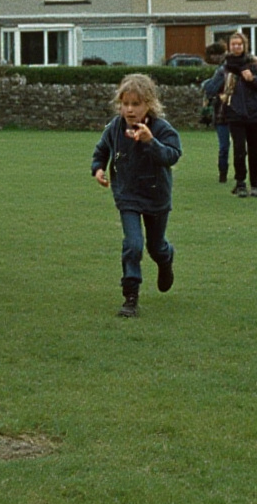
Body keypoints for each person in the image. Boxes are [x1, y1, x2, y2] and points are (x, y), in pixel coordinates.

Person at [92, 74, 182, 318]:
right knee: (133, 244)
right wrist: (98, 169)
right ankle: (130, 296)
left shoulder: (162, 130)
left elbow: (172, 155)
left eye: (136, 104)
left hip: (156, 197)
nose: (129, 110)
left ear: (149, 105)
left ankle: (166, 258)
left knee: (156, 247)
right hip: (127, 195)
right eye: (125, 104)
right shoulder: (115, 128)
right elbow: (101, 151)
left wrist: (150, 142)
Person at [217, 31, 257, 197]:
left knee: (256, 151)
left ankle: (255, 184)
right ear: (229, 46)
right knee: (239, 150)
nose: (237, 47)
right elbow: (215, 86)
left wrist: (252, 79)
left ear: (244, 46)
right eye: (234, 44)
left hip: (254, 114)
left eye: (239, 44)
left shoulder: (254, 64)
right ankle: (240, 183)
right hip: (235, 113)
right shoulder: (225, 67)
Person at [199, 41, 231, 184]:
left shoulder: (222, 69)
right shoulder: (234, 65)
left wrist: (204, 84)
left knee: (224, 146)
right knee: (239, 145)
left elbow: (211, 88)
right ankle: (240, 175)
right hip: (237, 110)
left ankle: (223, 174)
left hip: (223, 111)